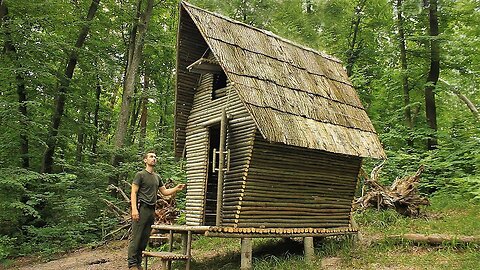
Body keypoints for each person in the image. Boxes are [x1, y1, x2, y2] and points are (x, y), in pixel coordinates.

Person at [127, 151, 185, 269]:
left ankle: (138, 263)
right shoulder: (140, 175)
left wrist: (176, 188)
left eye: (155, 157)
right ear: (145, 160)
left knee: (145, 238)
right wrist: (134, 209)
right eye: (151, 157)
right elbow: (133, 192)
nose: (154, 159)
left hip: (151, 210)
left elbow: (164, 192)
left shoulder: (157, 177)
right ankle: (132, 263)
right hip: (141, 208)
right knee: (136, 237)